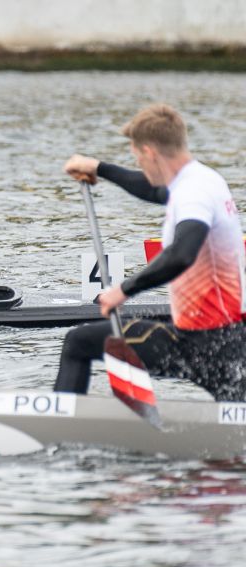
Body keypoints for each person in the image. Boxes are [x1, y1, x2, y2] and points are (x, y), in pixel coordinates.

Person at [57, 104, 246, 401]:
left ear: (150, 153)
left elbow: (182, 254)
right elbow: (152, 190)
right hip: (230, 341)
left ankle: (58, 430)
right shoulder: (204, 179)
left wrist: (123, 290)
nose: (140, 165)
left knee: (77, 343)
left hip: (199, 343)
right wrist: (99, 168)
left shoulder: (192, 193)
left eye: (138, 158)